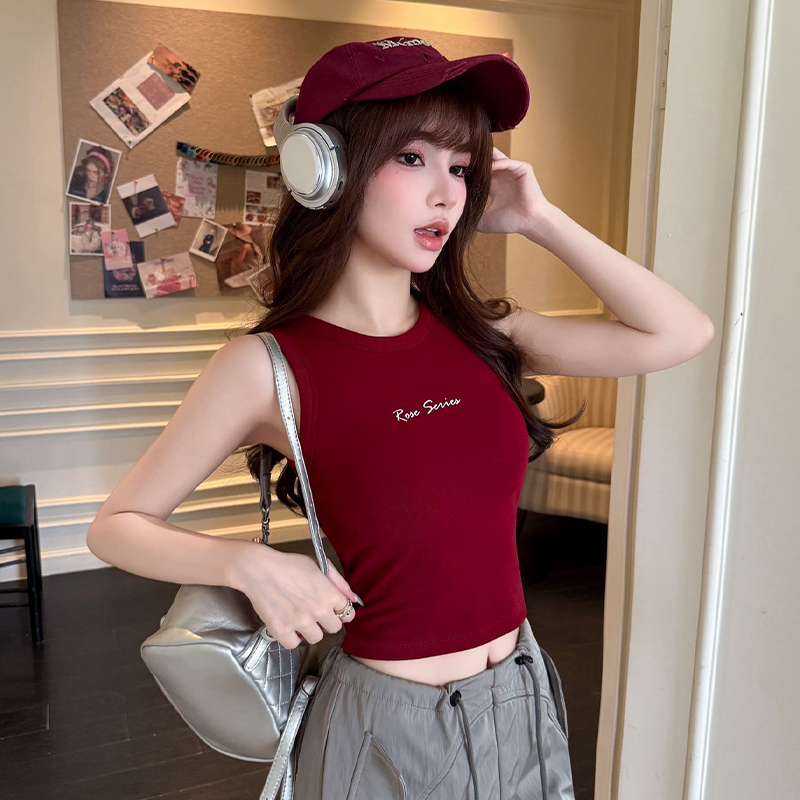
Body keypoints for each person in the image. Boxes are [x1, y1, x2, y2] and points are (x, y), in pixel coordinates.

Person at [86, 35, 714, 800]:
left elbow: (682, 334)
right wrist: (246, 564)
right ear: (323, 167)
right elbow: (116, 526)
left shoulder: (488, 333)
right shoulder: (264, 367)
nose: (447, 195)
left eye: (462, 168)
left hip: (519, 696)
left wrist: (542, 219)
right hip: (386, 724)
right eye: (413, 158)